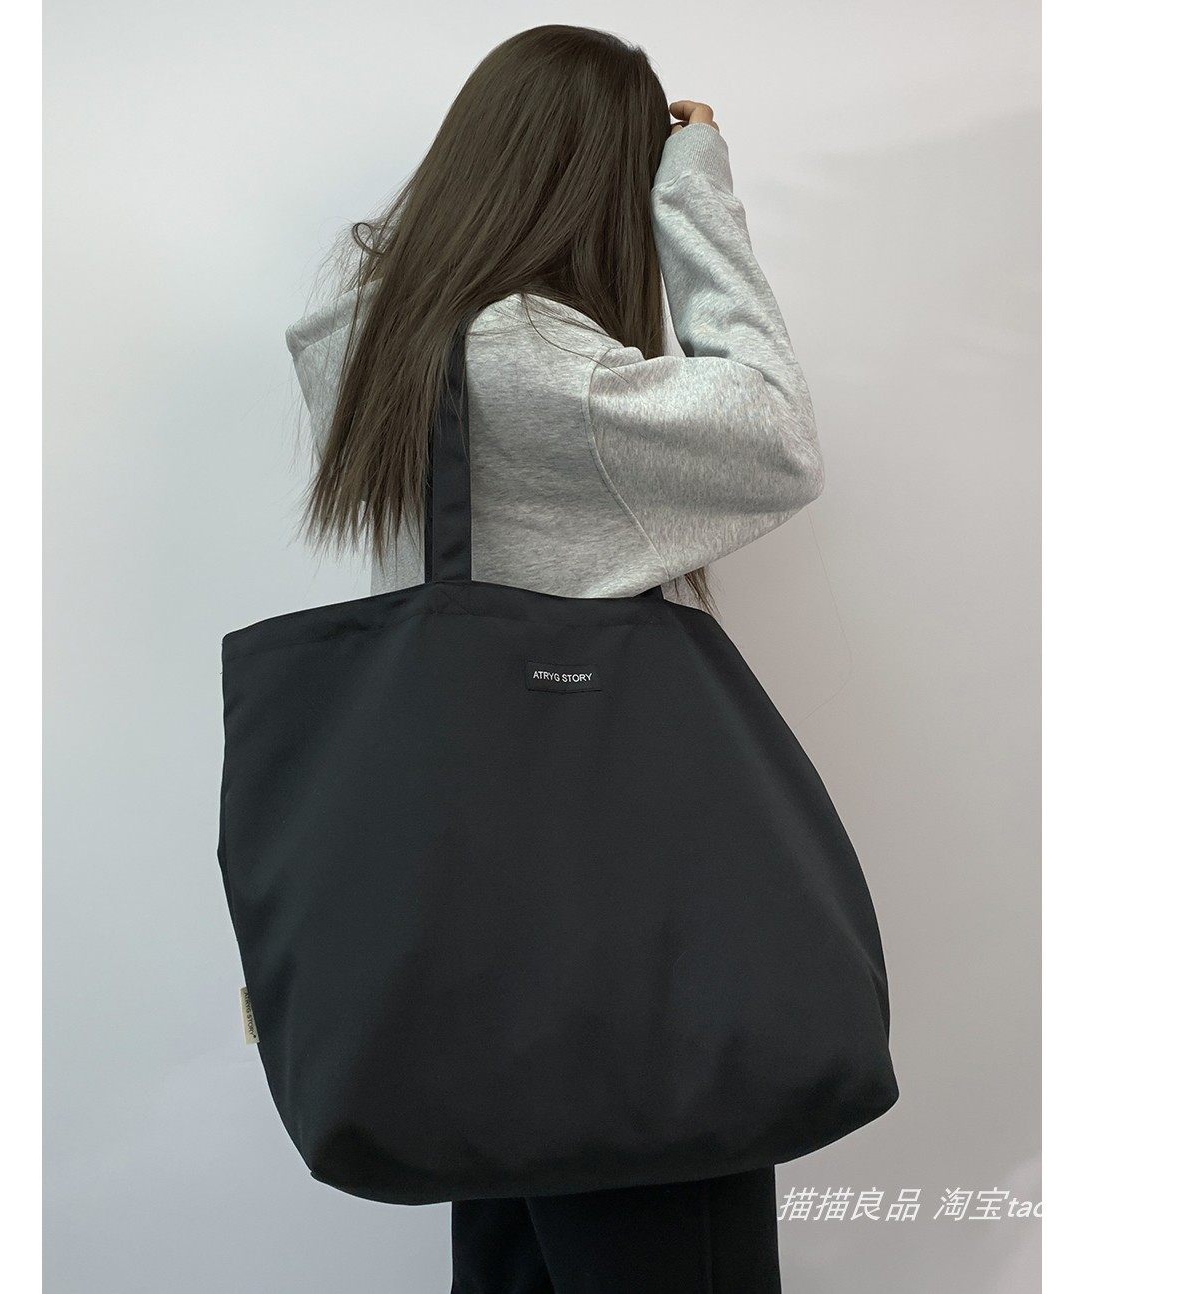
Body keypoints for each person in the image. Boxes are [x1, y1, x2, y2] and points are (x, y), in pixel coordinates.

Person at [285, 24, 822, 1294]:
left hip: (479, 933)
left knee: (522, 1259)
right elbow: (777, 440)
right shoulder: (525, 356)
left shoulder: (365, 334)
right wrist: (695, 188)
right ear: (601, 184)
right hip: (612, 943)